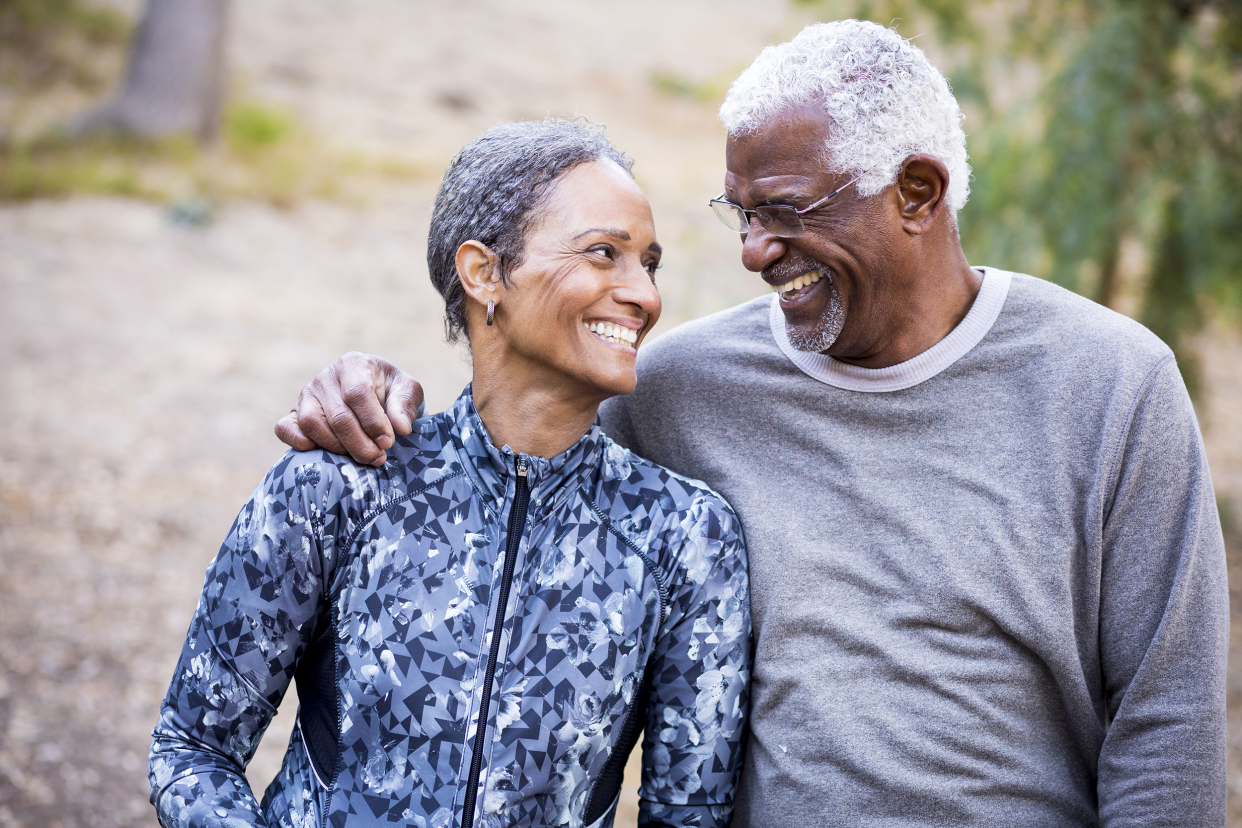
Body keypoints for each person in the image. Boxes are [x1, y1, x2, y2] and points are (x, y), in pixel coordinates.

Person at [278, 20, 1229, 827]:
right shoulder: (682, 386)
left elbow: (1166, 724)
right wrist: (367, 390)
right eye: (738, 213)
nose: (752, 253)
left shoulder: (1112, 383)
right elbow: (507, 463)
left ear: (918, 194)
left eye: (783, 212)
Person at [148, 120, 751, 828]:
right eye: (603, 253)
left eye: (648, 264)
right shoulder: (341, 487)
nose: (644, 295)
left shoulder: (686, 537)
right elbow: (191, 749)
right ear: (484, 273)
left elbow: (690, 816)